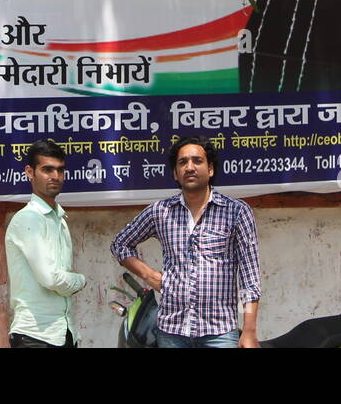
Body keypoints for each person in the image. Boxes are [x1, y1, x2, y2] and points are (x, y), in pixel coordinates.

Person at [110, 136, 261, 348]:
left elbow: (249, 278)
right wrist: (150, 276)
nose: (189, 167)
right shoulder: (161, 212)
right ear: (175, 173)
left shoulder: (236, 212)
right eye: (183, 162)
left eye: (197, 161)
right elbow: (120, 244)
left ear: (210, 169)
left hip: (219, 332)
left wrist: (249, 330)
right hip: (172, 331)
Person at [5, 139, 87, 347]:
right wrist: (81, 280)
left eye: (60, 170)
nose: (55, 176)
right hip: (35, 336)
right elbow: (50, 278)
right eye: (47, 169)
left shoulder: (59, 219)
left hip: (63, 332)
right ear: (30, 172)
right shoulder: (28, 219)